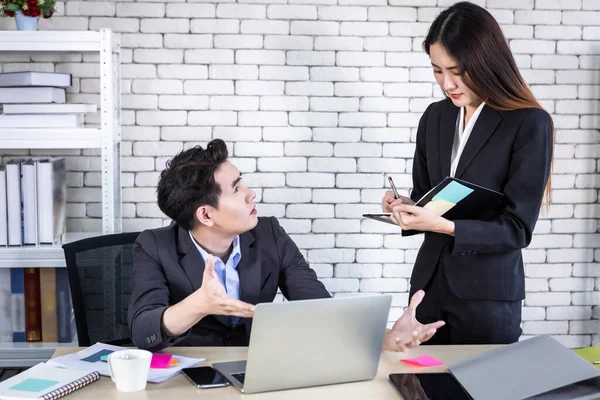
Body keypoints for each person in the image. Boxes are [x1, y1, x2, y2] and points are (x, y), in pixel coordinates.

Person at [128, 139, 444, 352]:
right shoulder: (155, 246)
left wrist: (380, 340)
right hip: (187, 382)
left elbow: (318, 306)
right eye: (237, 189)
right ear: (205, 214)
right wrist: (198, 305)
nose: (251, 194)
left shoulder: (269, 234)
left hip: (259, 375)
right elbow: (143, 331)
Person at [381, 1, 553, 345]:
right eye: (437, 70)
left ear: (486, 62)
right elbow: (430, 199)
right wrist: (406, 206)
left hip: (487, 297)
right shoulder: (435, 117)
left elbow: (517, 230)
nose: (447, 83)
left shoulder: (528, 122)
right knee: (422, 388)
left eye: (457, 71)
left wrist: (443, 226)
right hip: (428, 289)